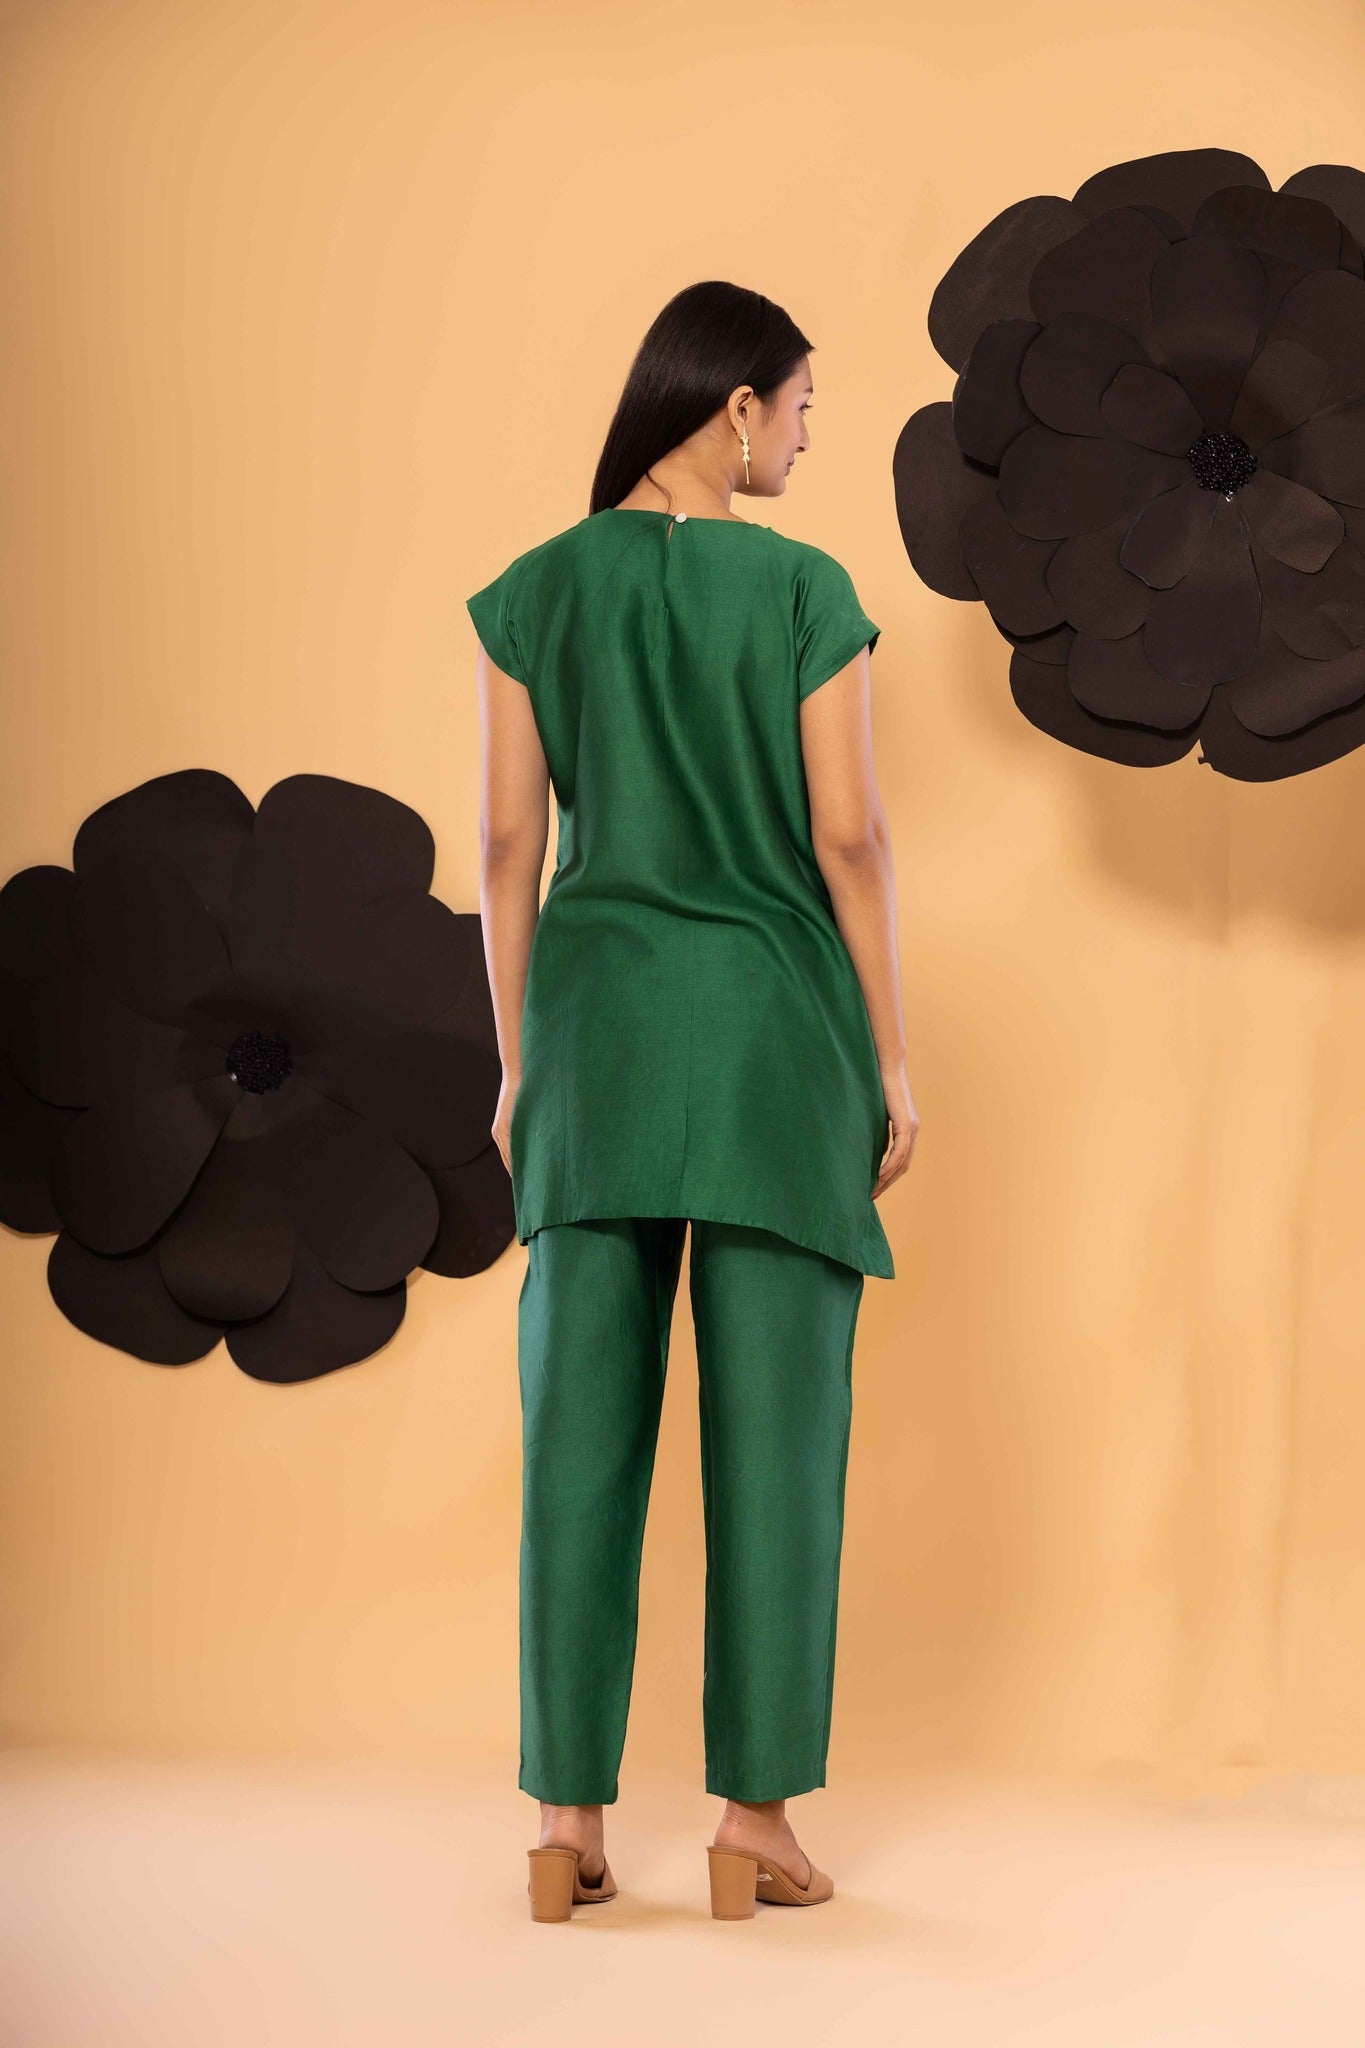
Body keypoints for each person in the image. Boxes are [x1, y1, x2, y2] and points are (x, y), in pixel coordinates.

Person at [467, 279, 918, 1923]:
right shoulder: (800, 589)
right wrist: (888, 1058)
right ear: (734, 408)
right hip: (770, 1047)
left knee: (574, 1438)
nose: (803, 436)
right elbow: (848, 837)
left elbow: (507, 845)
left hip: (593, 1046)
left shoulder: (535, 590)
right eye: (799, 407)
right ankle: (752, 1823)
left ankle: (564, 1821)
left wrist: (518, 1062)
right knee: (776, 1438)